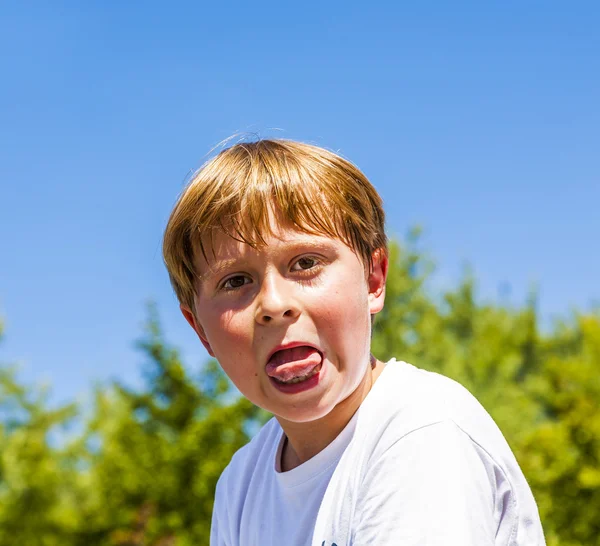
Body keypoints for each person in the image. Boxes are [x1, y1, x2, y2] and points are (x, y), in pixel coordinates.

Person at [162, 139, 546, 545]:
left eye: (306, 263)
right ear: (201, 330)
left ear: (374, 279)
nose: (274, 305)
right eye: (236, 281)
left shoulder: (422, 434)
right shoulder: (241, 484)